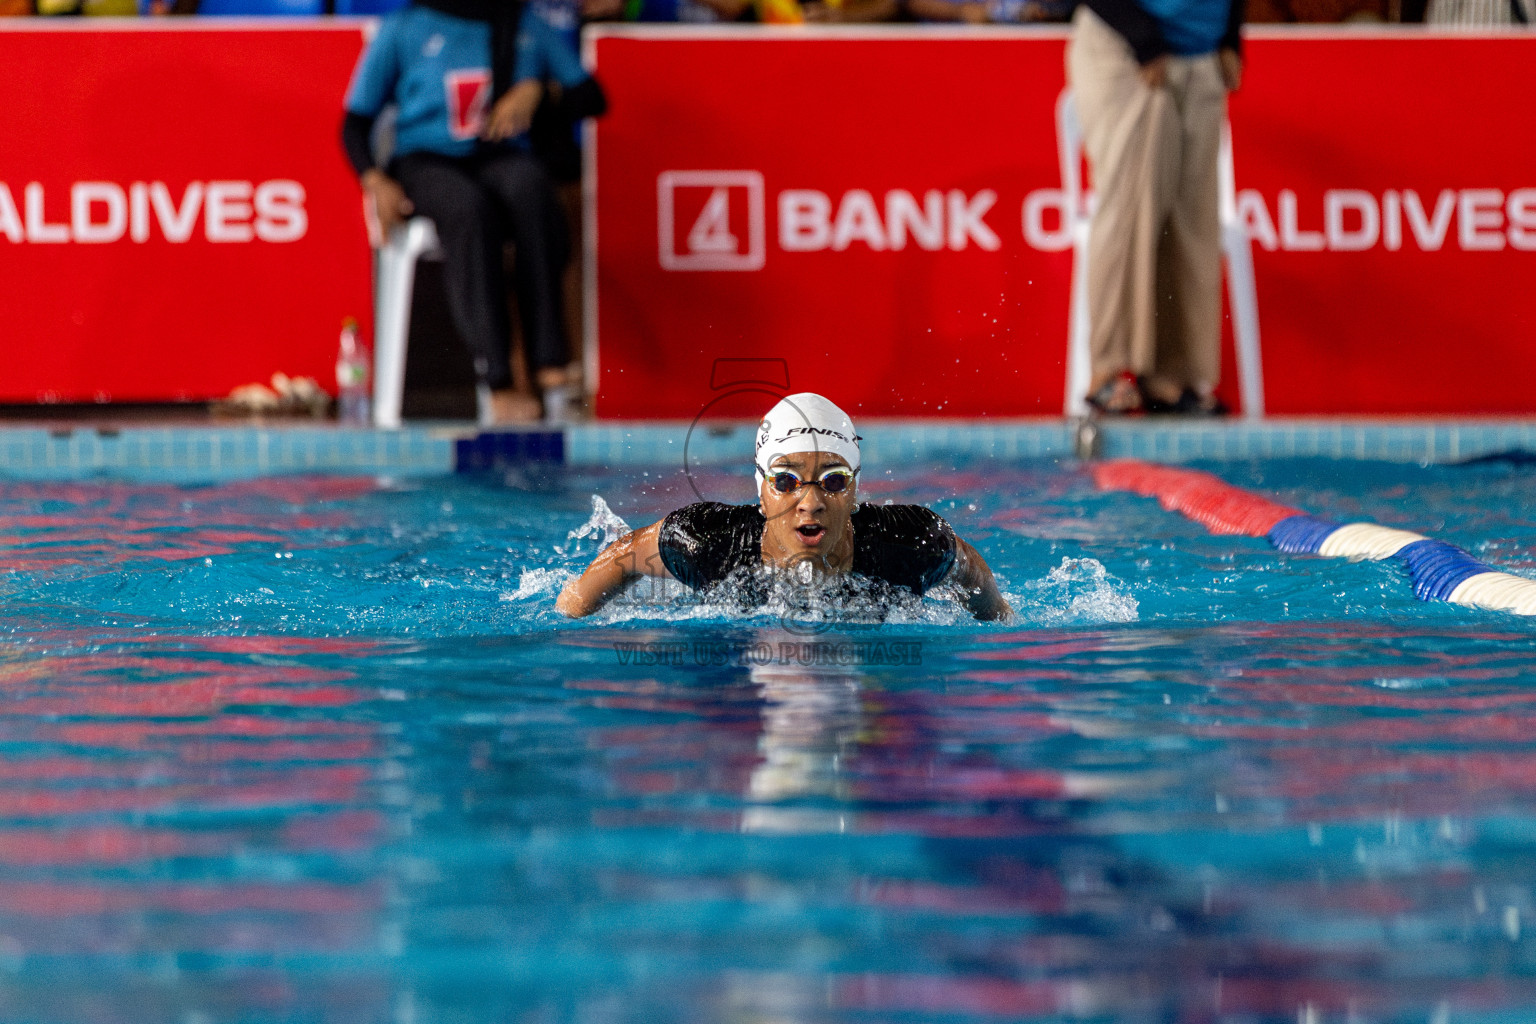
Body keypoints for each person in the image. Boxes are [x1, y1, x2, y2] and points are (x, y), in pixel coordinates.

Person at [341, 0, 605, 423]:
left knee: (532, 190)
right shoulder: (406, 28)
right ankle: (496, 376)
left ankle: (551, 365)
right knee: (469, 209)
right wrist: (375, 180)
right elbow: (354, 122)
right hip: (427, 160)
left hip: (499, 156)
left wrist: (539, 91)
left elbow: (591, 96)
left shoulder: (522, 22)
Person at [557, 394, 1012, 621]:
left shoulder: (912, 543)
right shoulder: (706, 543)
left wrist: (1001, 622)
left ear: (855, 493)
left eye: (833, 481)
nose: (809, 503)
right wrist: (570, 617)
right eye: (786, 481)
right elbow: (624, 555)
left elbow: (970, 568)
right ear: (761, 492)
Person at [1069, 0, 1245, 416]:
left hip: (1200, 55)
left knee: (1190, 224)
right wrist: (1144, 40)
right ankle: (1107, 371)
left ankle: (1170, 379)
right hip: (1127, 48)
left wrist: (1229, 35)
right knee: (1128, 213)